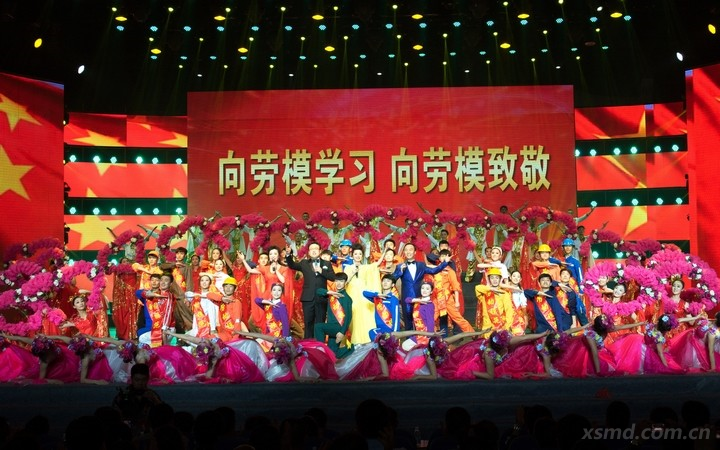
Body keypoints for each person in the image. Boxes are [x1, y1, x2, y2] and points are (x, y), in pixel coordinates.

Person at [164, 332, 264, 383]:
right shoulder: (213, 356)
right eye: (203, 341)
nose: (203, 340)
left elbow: (189, 338)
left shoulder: (208, 344)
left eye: (203, 341)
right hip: (229, 364)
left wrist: (172, 333)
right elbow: (209, 375)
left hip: (235, 354)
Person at [285, 242, 337, 338]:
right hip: (308, 298)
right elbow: (292, 265)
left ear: (320, 251)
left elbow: (333, 277)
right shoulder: (304, 263)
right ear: (308, 252)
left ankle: (319, 344)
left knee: (320, 324)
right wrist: (288, 255)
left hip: (321, 298)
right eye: (311, 249)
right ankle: (308, 344)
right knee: (308, 323)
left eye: (316, 249)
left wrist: (322, 271)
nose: (313, 251)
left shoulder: (326, 263)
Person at [392, 243, 448, 330]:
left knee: (421, 321)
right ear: (404, 252)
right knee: (408, 322)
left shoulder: (421, 265)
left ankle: (422, 338)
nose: (408, 252)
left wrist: (445, 263)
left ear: (415, 252)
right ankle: (409, 338)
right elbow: (392, 279)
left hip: (420, 297)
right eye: (406, 250)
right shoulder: (400, 266)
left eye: (410, 249)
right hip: (406, 298)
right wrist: (400, 272)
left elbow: (433, 271)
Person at [429, 250, 474, 335]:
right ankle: (425, 336)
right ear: (439, 258)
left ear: (449, 259)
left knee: (457, 318)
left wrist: (457, 302)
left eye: (446, 256)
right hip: (436, 298)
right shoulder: (435, 269)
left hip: (447, 299)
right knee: (432, 317)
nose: (444, 258)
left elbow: (455, 287)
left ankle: (472, 334)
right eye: (442, 256)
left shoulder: (451, 272)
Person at [344, 244, 382, 345]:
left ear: (362, 256)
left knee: (366, 317)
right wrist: (352, 273)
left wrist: (385, 250)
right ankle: (354, 342)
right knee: (353, 319)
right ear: (352, 255)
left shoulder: (366, 267)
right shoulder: (348, 268)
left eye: (360, 254)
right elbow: (344, 282)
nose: (358, 256)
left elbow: (376, 264)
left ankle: (367, 340)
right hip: (352, 296)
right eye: (356, 254)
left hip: (363, 297)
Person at [112, 363, 162, 431]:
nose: (140, 383)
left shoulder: (152, 395)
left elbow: (164, 414)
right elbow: (115, 415)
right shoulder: (124, 395)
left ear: (147, 379)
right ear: (132, 379)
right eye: (137, 380)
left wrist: (155, 400)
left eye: (143, 380)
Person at [315, 272, 353, 358]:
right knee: (333, 353)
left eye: (341, 281)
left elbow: (348, 317)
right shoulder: (332, 295)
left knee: (318, 327)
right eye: (337, 281)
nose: (339, 283)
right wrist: (329, 292)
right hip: (331, 327)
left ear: (345, 282)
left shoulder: (346, 298)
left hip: (338, 328)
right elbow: (318, 291)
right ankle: (351, 350)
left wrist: (342, 333)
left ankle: (320, 349)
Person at [136, 273, 176, 347]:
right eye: (161, 280)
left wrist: (164, 329)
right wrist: (150, 294)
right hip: (151, 328)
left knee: (143, 340)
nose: (163, 282)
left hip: (165, 328)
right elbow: (137, 292)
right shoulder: (150, 294)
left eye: (166, 280)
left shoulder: (168, 295)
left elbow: (168, 313)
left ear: (170, 284)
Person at [475, 267, 515, 334]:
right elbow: (477, 288)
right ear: (489, 279)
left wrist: (507, 327)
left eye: (497, 278)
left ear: (500, 279)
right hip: (487, 327)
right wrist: (491, 289)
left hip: (500, 326)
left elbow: (509, 311)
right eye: (492, 278)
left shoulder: (504, 293)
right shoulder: (485, 292)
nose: (494, 280)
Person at [363, 274, 402, 341]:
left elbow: (396, 317)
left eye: (388, 281)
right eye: (384, 281)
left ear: (392, 285)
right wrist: (377, 294)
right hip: (380, 329)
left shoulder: (393, 299)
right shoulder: (377, 298)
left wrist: (395, 333)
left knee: (373, 334)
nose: (385, 282)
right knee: (373, 334)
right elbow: (364, 293)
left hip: (389, 329)